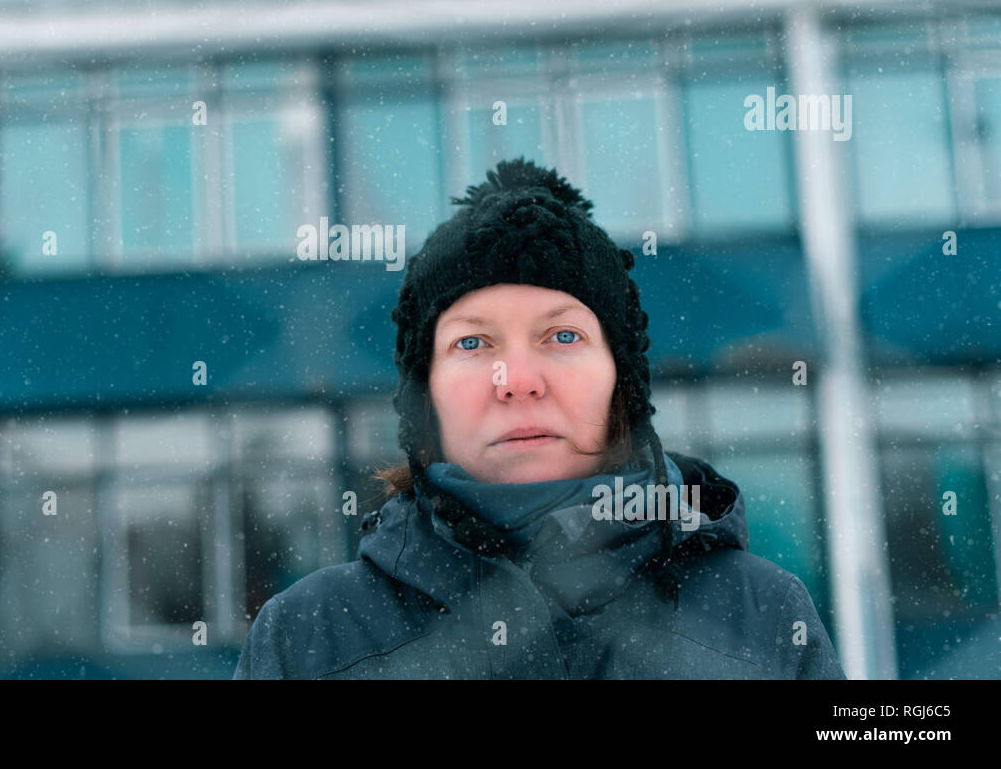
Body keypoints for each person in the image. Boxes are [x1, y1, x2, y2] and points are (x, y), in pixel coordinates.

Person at [233, 157, 845, 679]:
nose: (518, 380)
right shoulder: (308, 637)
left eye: (562, 335)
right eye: (473, 345)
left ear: (621, 382)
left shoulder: (762, 616)